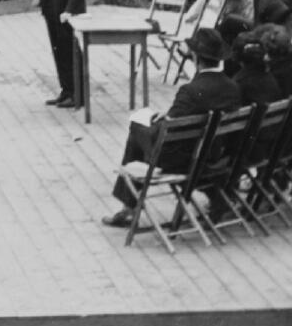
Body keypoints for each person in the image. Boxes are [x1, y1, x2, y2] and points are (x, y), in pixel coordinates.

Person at [102, 25, 244, 226]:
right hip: (216, 156)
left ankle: (129, 208)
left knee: (137, 130)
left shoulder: (190, 91)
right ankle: (217, 199)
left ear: (195, 57)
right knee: (151, 130)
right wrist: (168, 117)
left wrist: (155, 122)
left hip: (187, 161)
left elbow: (168, 133)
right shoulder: (233, 87)